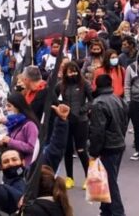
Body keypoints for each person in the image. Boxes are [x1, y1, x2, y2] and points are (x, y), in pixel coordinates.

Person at [88, 74, 129, 216]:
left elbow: (97, 131)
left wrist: (94, 151)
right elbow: (125, 123)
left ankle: (117, 212)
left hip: (108, 147)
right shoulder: (119, 100)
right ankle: (105, 210)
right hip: (118, 144)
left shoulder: (98, 104)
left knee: (110, 183)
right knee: (109, 179)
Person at [57, 61, 92, 189]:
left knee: (82, 150)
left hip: (81, 121)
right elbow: (54, 99)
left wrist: (83, 110)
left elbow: (92, 100)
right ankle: (69, 178)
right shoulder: (61, 86)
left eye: (75, 71)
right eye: (70, 71)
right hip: (66, 121)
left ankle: (88, 177)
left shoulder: (85, 84)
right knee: (67, 150)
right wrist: (60, 110)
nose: (73, 74)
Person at [0, 93, 39, 166]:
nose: (7, 108)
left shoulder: (30, 125)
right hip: (13, 164)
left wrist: (10, 141)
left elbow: (31, 148)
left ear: (18, 107)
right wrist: (3, 142)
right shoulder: (14, 124)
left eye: (9, 106)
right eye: (6, 106)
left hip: (26, 165)